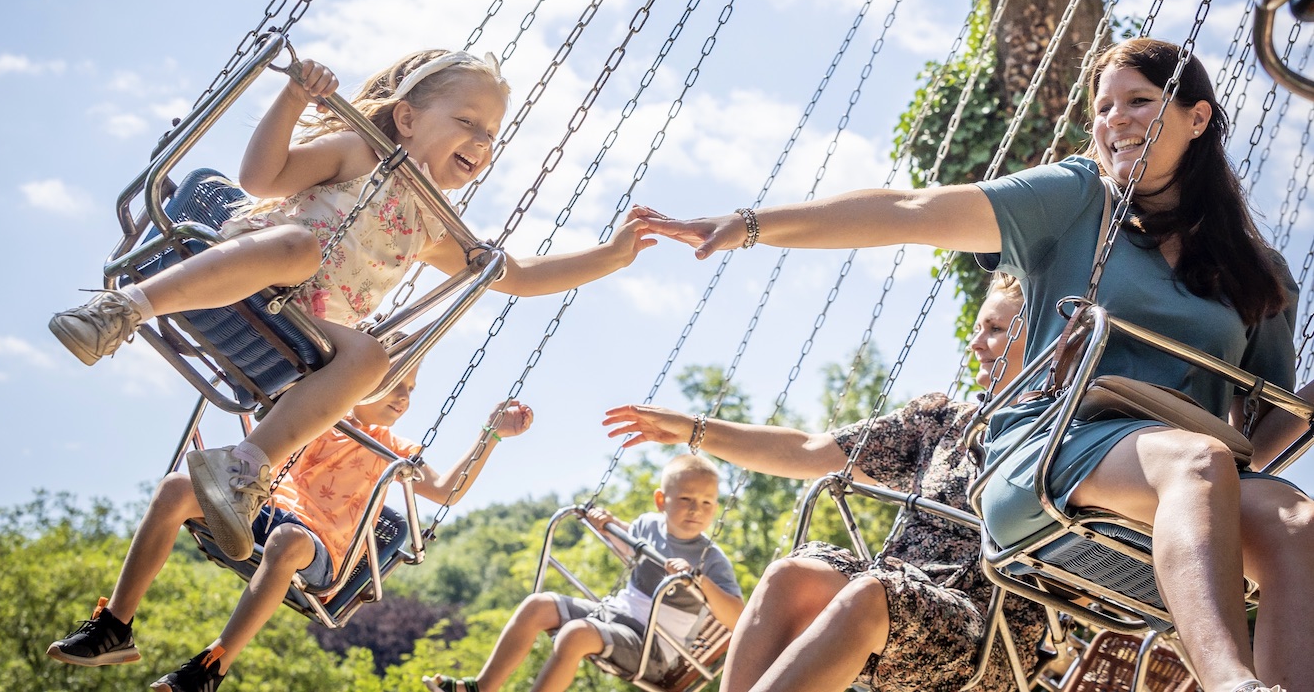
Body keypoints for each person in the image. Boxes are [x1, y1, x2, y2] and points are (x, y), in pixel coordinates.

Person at [632, 36, 1314, 692]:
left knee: (1292, 518)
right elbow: (909, 210)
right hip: (1052, 453)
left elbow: (1259, 433)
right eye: (1102, 108)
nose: (1113, 121)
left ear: (1196, 117)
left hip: (1172, 479)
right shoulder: (1077, 198)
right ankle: (1232, 682)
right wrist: (753, 225)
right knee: (1193, 459)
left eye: (1136, 101)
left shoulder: (1257, 272)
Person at [48, 49, 656, 564]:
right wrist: (291, 100)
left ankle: (243, 470)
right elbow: (262, 178)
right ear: (408, 117)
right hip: (251, 273)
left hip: (302, 332)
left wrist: (613, 256)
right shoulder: (357, 153)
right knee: (302, 247)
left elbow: (515, 275)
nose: (481, 140)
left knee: (370, 361)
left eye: (491, 134)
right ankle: (123, 308)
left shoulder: (433, 225)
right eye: (468, 119)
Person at [603, 276, 1048, 692]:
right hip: (893, 597)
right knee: (790, 574)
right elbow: (810, 450)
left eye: (994, 329)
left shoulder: (1063, 439)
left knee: (875, 594)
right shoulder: (942, 423)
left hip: (988, 635)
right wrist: (693, 430)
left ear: (1045, 338)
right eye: (978, 328)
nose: (975, 344)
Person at [46, 364, 534, 692]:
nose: (404, 399)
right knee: (177, 487)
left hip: (317, 549)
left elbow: (447, 489)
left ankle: (210, 667)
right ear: (360, 380)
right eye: (395, 385)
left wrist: (490, 434)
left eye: (411, 391)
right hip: (266, 510)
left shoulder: (397, 448)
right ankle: (115, 625)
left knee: (286, 539)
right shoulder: (316, 410)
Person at [424, 454, 745, 692]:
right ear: (662, 500)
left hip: (653, 648)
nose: (695, 510)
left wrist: (698, 581)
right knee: (536, 605)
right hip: (614, 614)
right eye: (686, 499)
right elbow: (629, 545)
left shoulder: (711, 559)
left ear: (716, 508)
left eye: (706, 503)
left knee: (576, 634)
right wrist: (609, 526)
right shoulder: (648, 524)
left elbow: (738, 620)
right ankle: (481, 687)